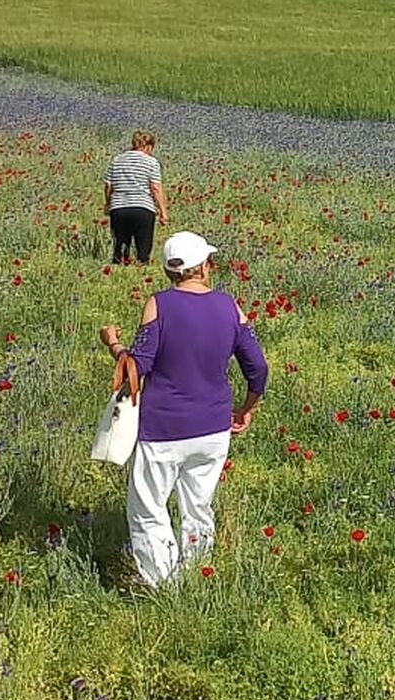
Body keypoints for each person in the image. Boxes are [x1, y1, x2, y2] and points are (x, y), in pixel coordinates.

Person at [98, 230, 268, 587]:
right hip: (213, 427)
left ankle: (162, 584)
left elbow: (136, 369)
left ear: (169, 272)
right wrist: (246, 407)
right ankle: (196, 574)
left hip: (162, 429)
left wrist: (113, 344)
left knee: (148, 509)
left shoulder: (159, 304)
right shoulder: (229, 305)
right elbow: (258, 368)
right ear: (205, 267)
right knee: (198, 505)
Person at [104, 131, 169, 266]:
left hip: (119, 208)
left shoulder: (117, 160)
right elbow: (156, 188)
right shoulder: (151, 162)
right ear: (148, 147)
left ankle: (118, 272)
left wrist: (108, 203)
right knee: (143, 250)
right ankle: (141, 271)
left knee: (120, 247)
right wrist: (163, 212)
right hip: (142, 208)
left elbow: (108, 185)